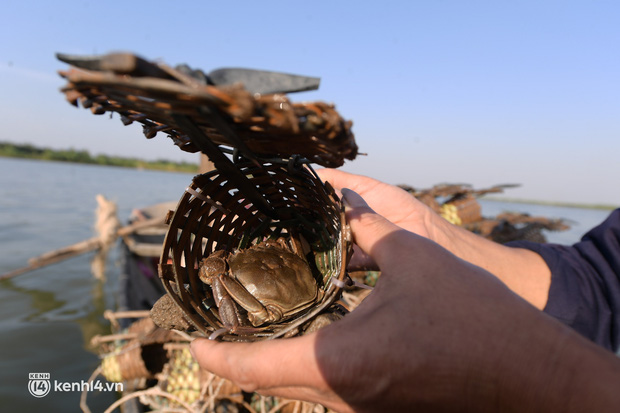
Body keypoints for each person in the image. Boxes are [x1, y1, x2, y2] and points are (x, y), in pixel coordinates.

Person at [190, 169, 620, 412]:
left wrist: (506, 382)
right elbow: (601, 277)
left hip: (272, 307)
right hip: (302, 290)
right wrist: (435, 234)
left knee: (219, 276)